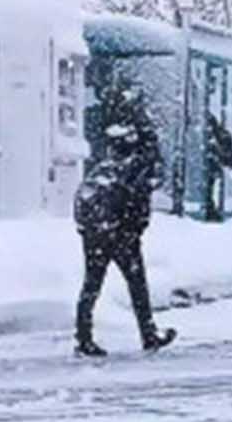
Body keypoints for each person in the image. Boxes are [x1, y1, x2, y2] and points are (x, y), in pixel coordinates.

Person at [72, 89, 176, 357]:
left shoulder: (105, 167)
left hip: (96, 232)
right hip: (122, 234)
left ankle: (84, 336)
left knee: (92, 284)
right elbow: (142, 188)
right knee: (137, 284)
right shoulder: (135, 165)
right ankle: (148, 333)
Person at [203, 111, 232, 222]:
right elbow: (231, 159)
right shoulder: (223, 135)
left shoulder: (220, 136)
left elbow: (230, 158)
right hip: (213, 170)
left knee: (210, 189)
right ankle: (211, 209)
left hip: (212, 171)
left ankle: (211, 209)